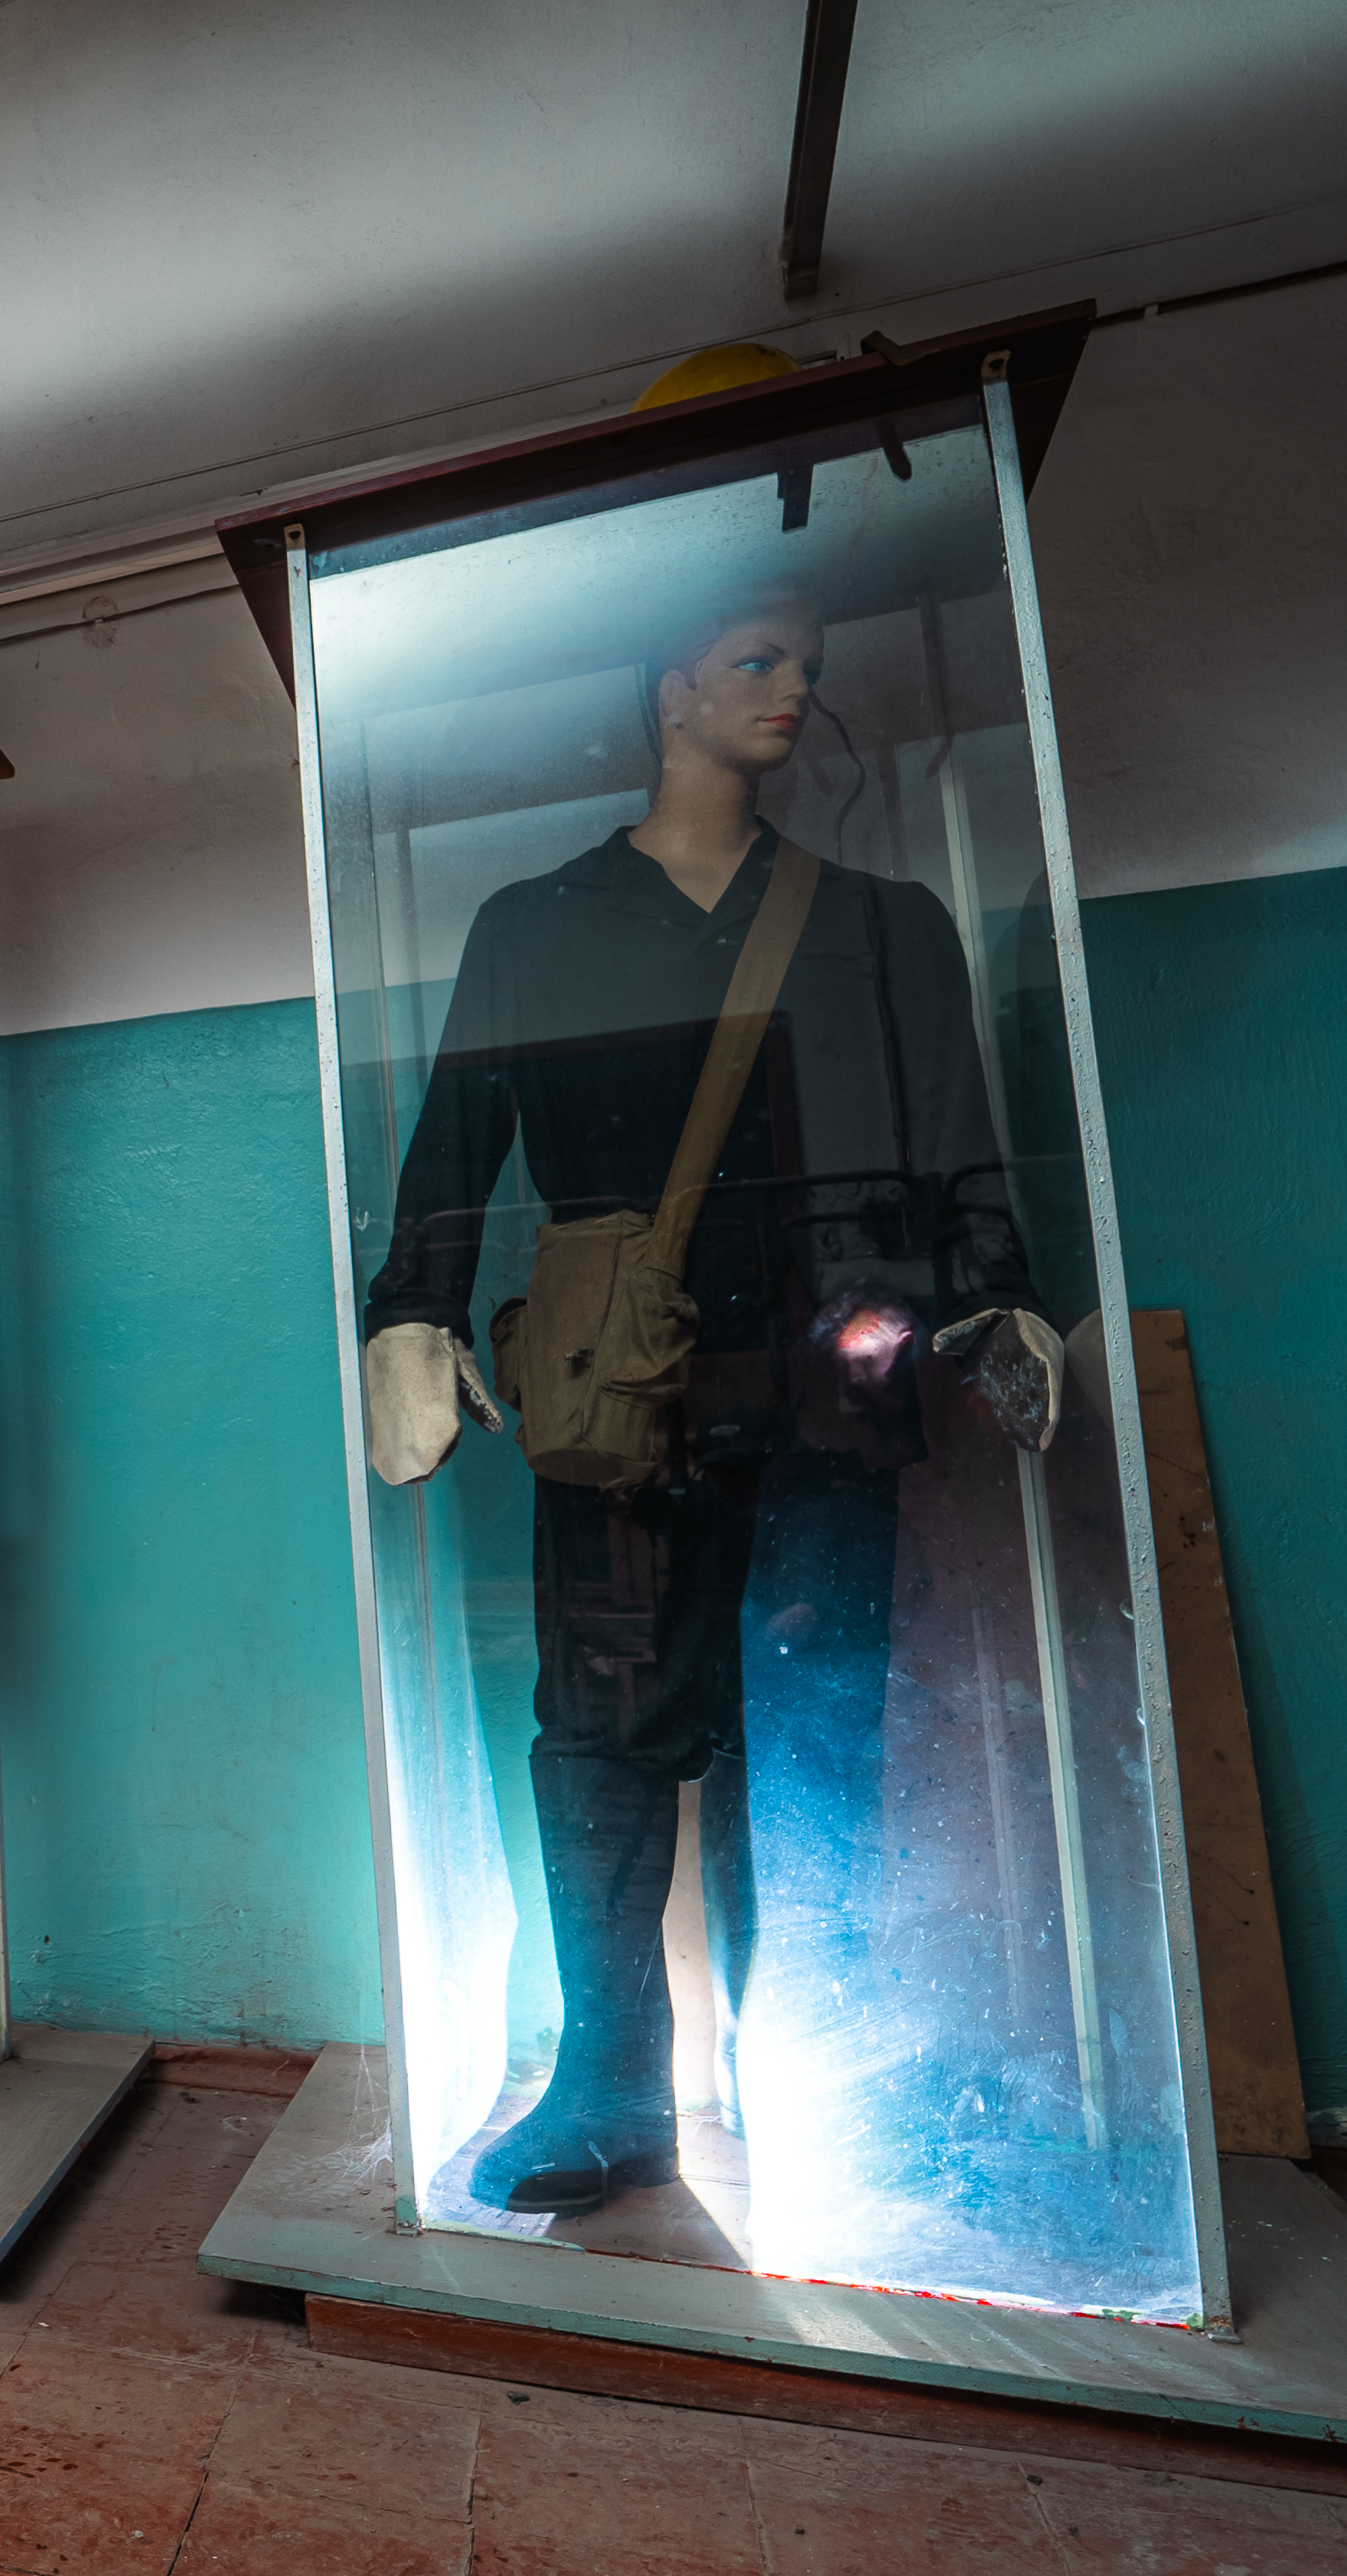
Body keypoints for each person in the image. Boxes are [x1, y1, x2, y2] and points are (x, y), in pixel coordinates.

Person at [359, 589, 1062, 2214]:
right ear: (672, 688)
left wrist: (997, 1292)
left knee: (815, 1725)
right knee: (598, 1730)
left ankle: (819, 2070)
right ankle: (609, 2086)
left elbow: (958, 1142)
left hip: (836, 1382)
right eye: (758, 662)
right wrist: (413, 1310)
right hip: (623, 1399)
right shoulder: (534, 925)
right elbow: (456, 1149)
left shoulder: (884, 925)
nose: (794, 690)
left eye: (808, 667)